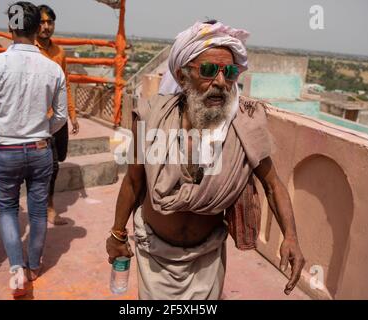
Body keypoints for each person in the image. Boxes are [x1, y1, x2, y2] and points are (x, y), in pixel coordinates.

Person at [106, 21, 305, 300]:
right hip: (154, 255)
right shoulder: (152, 118)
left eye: (230, 72)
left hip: (207, 258)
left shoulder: (243, 127)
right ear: (183, 75)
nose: (221, 83)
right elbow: (133, 182)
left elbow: (273, 185)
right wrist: (116, 234)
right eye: (209, 71)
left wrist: (291, 237)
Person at [0, 1, 67, 297]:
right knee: (38, 212)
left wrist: (1, 125)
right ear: (38, 27)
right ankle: (34, 265)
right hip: (40, 149)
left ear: (11, 28)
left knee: (9, 209)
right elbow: (61, 117)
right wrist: (41, 132)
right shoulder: (53, 68)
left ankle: (16, 269)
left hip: (7, 149)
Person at [36, 4, 79, 225]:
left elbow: (66, 84)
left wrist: (72, 114)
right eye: (41, 22)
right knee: (50, 165)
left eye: (49, 22)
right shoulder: (29, 51)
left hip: (58, 117)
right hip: (38, 120)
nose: (46, 26)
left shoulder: (59, 52)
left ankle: (44, 204)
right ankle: (47, 207)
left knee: (59, 159)